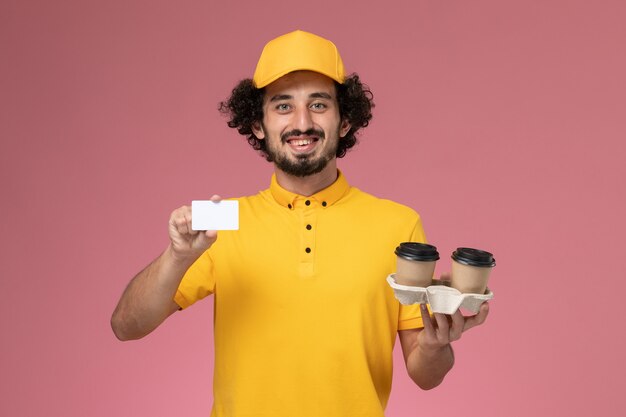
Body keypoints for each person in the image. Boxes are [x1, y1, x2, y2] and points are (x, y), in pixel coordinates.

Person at [111, 30, 489, 416]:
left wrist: (434, 345)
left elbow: (426, 375)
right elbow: (126, 326)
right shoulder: (222, 221)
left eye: (319, 104)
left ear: (345, 121)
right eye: (283, 106)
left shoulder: (398, 224)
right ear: (258, 124)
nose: (302, 122)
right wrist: (176, 257)